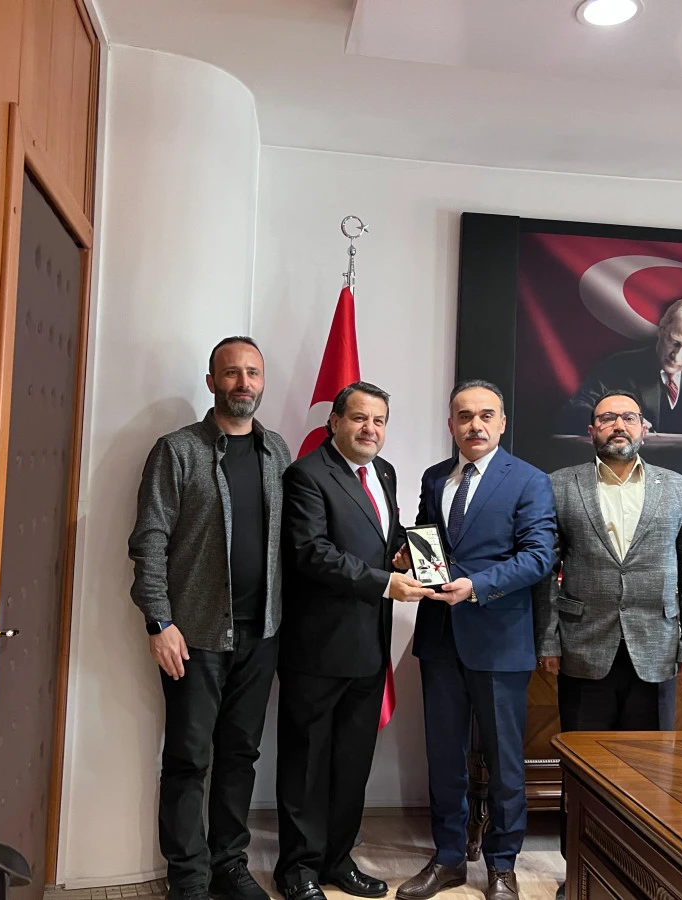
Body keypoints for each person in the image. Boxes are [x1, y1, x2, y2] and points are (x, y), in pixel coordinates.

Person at [534, 389, 682, 900]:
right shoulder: (560, 485)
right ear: (591, 430)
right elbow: (545, 570)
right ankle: (579, 873)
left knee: (651, 773)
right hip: (582, 647)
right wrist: (547, 639)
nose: (618, 425)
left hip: (656, 649)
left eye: (628, 417)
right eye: (607, 418)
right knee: (583, 772)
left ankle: (643, 874)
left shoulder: (677, 487)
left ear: (644, 429)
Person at [129, 336, 290, 900]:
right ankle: (189, 879)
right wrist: (158, 622)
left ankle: (230, 865)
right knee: (188, 759)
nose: (243, 383)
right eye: (231, 373)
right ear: (211, 381)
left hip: (262, 634)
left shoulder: (277, 452)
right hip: (194, 636)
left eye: (252, 373)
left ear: (262, 382)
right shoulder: (177, 450)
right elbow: (149, 540)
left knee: (240, 756)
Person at [397, 380, 557, 900]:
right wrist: (409, 556)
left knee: (505, 763)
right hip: (440, 637)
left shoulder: (529, 480)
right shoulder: (434, 477)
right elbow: (428, 539)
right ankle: (447, 859)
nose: (475, 425)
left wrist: (478, 586)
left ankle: (502, 866)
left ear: (502, 423)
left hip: (500, 639)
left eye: (486, 415)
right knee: (444, 758)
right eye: (464, 416)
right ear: (451, 425)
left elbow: (539, 557)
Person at [274, 382, 432, 900]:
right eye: (360, 418)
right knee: (306, 765)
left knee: (351, 764)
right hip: (317, 649)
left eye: (379, 421)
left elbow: (383, 538)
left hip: (369, 648)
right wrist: (386, 582)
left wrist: (405, 555)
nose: (370, 429)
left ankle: (337, 860)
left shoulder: (383, 472)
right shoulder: (306, 475)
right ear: (335, 422)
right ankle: (297, 869)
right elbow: (311, 552)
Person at [554, 298, 682, 436]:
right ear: (661, 329)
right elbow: (573, 412)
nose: (677, 357)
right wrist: (619, 423)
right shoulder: (619, 366)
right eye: (674, 342)